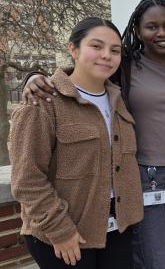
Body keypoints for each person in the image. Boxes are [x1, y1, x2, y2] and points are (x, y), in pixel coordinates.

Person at [22, 0, 165, 269]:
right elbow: (27, 176)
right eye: (152, 26)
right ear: (138, 33)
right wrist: (33, 77)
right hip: (146, 175)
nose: (162, 32)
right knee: (156, 260)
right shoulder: (123, 69)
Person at [10, 17, 143, 269]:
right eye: (96, 46)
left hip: (118, 229)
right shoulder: (43, 103)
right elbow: (27, 179)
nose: (106, 55)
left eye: (115, 50)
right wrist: (59, 230)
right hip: (66, 234)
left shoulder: (118, 99)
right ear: (73, 48)